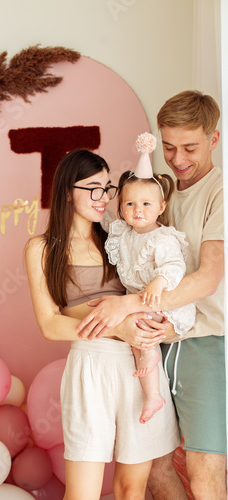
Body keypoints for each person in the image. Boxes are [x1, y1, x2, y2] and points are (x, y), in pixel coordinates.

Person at [76, 91, 226, 500]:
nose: (177, 159)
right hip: (148, 343)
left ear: (214, 139)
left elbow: (209, 277)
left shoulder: (220, 192)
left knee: (203, 464)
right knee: (152, 465)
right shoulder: (155, 192)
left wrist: (127, 304)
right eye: (170, 146)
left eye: (190, 147)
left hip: (203, 342)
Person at [25, 148, 182, 500]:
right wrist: (117, 327)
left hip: (140, 367)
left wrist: (166, 326)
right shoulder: (41, 248)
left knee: (131, 489)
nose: (104, 198)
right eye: (92, 188)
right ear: (68, 191)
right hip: (90, 366)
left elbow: (164, 277)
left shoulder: (119, 236)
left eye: (107, 187)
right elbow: (50, 325)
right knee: (82, 494)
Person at [104, 132, 196, 425]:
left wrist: (159, 281)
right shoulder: (123, 233)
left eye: (146, 204)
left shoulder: (163, 238)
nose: (137, 211)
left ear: (161, 207)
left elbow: (174, 266)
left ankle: (152, 384)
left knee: (141, 331)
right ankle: (151, 391)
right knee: (134, 332)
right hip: (140, 301)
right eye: (130, 205)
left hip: (161, 300)